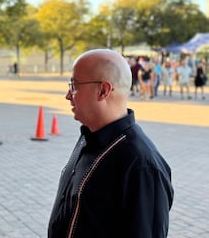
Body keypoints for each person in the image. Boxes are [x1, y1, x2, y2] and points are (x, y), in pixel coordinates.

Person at [48, 49, 174, 238]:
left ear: (103, 90)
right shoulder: (89, 137)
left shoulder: (141, 165)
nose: (68, 95)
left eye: (74, 85)